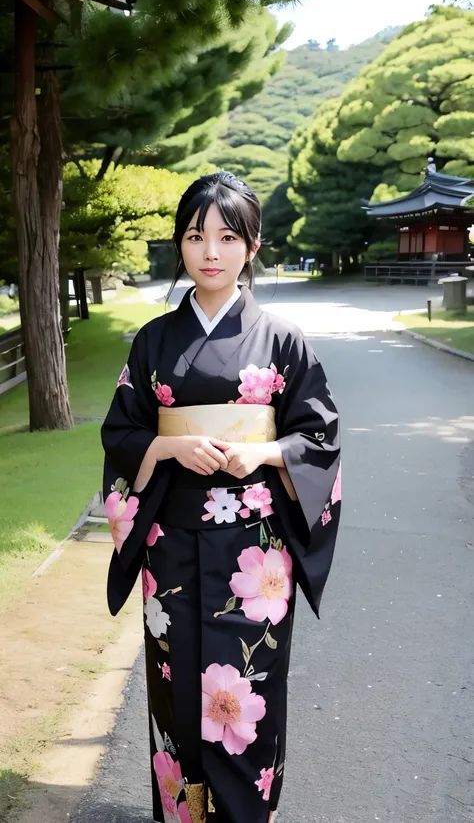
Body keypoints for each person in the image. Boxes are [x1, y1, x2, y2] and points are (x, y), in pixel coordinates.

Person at [101, 172, 341, 823]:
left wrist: (263, 453)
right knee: (177, 704)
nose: (210, 250)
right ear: (180, 243)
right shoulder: (154, 340)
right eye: (195, 235)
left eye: (227, 236)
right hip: (170, 551)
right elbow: (121, 431)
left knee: (248, 700)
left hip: (255, 560)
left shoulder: (283, 340)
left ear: (252, 243)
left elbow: (318, 437)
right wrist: (169, 447)